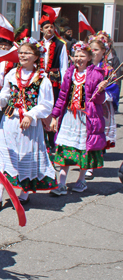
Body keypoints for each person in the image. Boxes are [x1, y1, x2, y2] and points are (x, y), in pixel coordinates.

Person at [0, 38, 57, 207]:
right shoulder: (12, 74)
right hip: (10, 121)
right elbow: (6, 95)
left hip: (29, 125)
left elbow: (46, 104)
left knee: (27, 156)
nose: (23, 55)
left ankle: (24, 192)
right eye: (21, 52)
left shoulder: (42, 78)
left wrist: (31, 115)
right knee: (5, 155)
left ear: (36, 57)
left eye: (27, 53)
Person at [49, 42, 108, 195]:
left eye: (82, 55)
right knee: (65, 149)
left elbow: (99, 100)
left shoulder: (97, 74)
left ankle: (81, 180)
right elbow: (62, 96)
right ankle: (61, 183)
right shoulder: (69, 73)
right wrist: (54, 116)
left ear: (89, 57)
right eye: (76, 55)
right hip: (69, 116)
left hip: (86, 118)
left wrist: (101, 90)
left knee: (84, 148)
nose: (78, 58)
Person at [85, 35, 119, 180]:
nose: (93, 51)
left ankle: (91, 166)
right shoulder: (84, 66)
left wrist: (102, 92)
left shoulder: (108, 68)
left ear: (104, 51)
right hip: (84, 106)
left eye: (96, 49)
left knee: (96, 135)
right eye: (91, 49)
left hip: (101, 106)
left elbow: (114, 88)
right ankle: (83, 162)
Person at [39, 9, 69, 155]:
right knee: (41, 108)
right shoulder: (37, 45)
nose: (49, 29)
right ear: (41, 30)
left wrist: (65, 85)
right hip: (40, 82)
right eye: (46, 27)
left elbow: (64, 66)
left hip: (54, 81)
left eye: (51, 27)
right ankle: (42, 141)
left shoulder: (60, 44)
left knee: (52, 110)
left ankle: (53, 142)